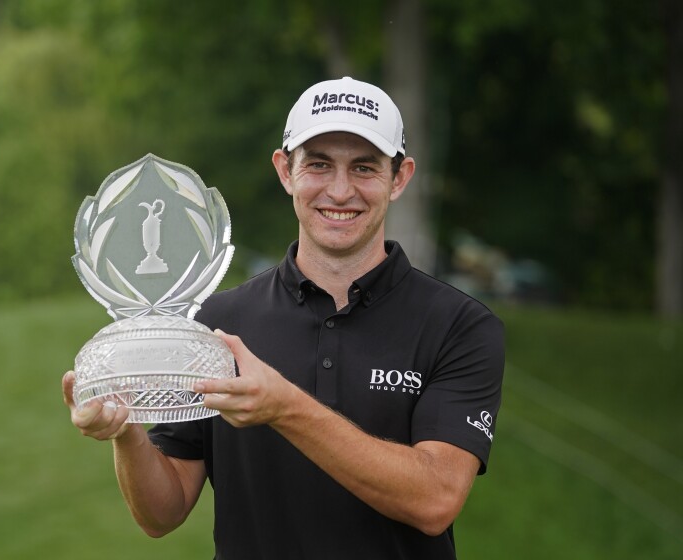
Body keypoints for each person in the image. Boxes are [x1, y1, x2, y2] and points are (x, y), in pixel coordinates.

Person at [62, 76, 505, 559]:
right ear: (284, 170)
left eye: (364, 167)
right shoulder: (218, 322)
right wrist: (127, 430)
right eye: (318, 164)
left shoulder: (459, 325)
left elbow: (435, 500)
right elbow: (161, 513)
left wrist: (284, 408)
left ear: (399, 178)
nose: (340, 190)